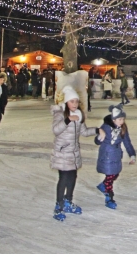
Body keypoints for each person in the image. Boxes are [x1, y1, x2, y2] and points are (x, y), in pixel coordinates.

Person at [50, 86, 99, 221]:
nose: (75, 104)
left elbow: (84, 132)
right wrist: (67, 120)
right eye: (72, 101)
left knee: (72, 177)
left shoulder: (78, 115)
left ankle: (68, 201)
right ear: (66, 102)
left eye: (76, 101)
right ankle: (59, 205)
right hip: (62, 152)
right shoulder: (60, 114)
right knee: (64, 178)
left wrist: (97, 130)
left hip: (73, 152)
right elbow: (55, 130)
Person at [94, 103, 136, 209]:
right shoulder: (106, 127)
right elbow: (97, 141)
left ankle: (103, 185)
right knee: (110, 176)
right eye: (120, 119)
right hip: (107, 154)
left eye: (123, 119)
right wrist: (99, 137)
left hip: (116, 154)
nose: (122, 121)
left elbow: (127, 142)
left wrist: (132, 154)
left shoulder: (123, 128)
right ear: (113, 119)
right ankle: (109, 198)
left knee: (115, 174)